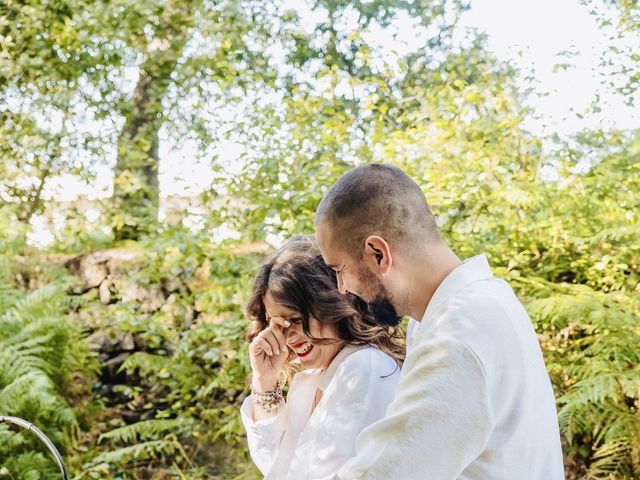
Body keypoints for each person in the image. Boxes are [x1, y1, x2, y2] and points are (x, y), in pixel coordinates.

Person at [315, 163, 564, 479]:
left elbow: (388, 472)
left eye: (339, 270)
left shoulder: (459, 333)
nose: (342, 288)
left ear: (378, 253)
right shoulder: (476, 301)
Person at [240, 236, 404, 480]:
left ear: (332, 306)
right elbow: (277, 468)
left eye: (294, 320)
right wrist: (265, 382)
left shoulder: (364, 368)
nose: (287, 337)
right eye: (277, 324)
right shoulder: (314, 377)